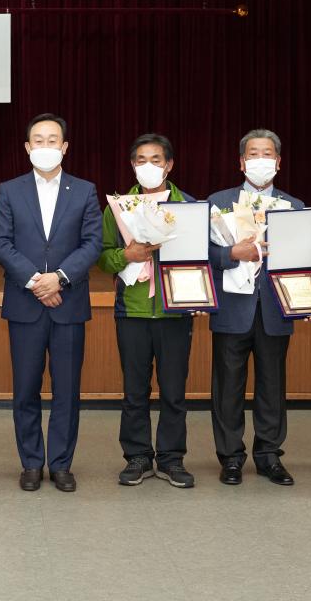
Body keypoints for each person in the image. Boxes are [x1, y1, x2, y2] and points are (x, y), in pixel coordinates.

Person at [0, 113, 103, 492]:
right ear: (27, 147)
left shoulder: (84, 190)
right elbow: (1, 242)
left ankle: (60, 464)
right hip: (25, 304)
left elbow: (93, 242)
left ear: (64, 147)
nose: (45, 146)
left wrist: (60, 277)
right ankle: (30, 463)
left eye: (52, 140)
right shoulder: (10, 190)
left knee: (67, 391)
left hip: (68, 303)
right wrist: (36, 281)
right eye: (38, 140)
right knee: (25, 389)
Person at [97, 133, 197, 489]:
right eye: (141, 160)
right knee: (134, 391)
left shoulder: (189, 207)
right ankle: (137, 456)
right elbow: (103, 257)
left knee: (174, 391)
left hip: (175, 312)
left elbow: (199, 260)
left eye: (156, 160)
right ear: (132, 165)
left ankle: (171, 458)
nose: (148, 166)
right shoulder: (118, 208)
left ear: (169, 165)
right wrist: (127, 255)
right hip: (132, 311)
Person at [206, 128, 304, 487]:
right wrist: (231, 253)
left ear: (278, 162)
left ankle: (269, 456)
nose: (259, 160)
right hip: (232, 308)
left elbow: (302, 260)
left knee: (272, 386)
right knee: (228, 387)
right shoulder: (218, 202)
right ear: (241, 161)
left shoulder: (294, 207)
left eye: (267, 154)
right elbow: (203, 252)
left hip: (274, 308)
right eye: (253, 154)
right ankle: (231, 457)